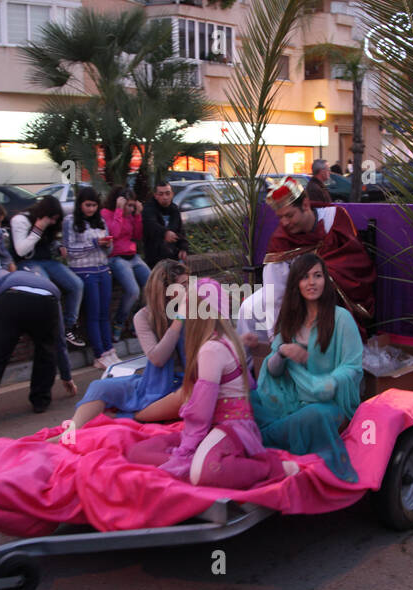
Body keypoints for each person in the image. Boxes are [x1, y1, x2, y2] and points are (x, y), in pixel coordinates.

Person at [127, 279, 293, 489]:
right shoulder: (227, 340)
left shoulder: (211, 349)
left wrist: (187, 448)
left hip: (229, 430)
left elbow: (201, 411)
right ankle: (199, 458)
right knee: (139, 451)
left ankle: (275, 468)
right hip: (230, 427)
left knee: (201, 471)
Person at [252, 253, 364, 482]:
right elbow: (273, 372)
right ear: (296, 284)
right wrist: (283, 352)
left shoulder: (341, 319)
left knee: (314, 415)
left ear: (326, 280)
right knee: (248, 401)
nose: (311, 282)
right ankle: (266, 448)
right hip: (290, 399)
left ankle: (262, 447)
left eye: (317, 276)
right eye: (304, 277)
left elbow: (353, 366)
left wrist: (329, 382)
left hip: (328, 402)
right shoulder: (289, 321)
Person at [238, 177, 376, 342]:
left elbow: (356, 261)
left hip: (334, 291)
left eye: (289, 215)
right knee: (249, 307)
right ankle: (256, 359)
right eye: (280, 217)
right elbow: (275, 290)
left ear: (305, 205)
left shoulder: (335, 218)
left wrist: (327, 277)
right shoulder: (281, 238)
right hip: (292, 291)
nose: (285, 222)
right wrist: (276, 336)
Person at [67, 259, 188, 431]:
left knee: (190, 396)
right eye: (183, 285)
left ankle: (126, 417)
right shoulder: (144, 316)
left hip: (186, 382)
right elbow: (158, 359)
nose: (190, 289)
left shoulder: (198, 311)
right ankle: (69, 432)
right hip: (153, 382)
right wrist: (179, 321)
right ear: (166, 290)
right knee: (100, 386)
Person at [0, 268, 79, 429]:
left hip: (11, 301)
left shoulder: (10, 276)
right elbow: (60, 340)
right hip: (46, 303)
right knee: (46, 351)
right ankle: (40, 401)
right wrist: (66, 376)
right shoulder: (49, 285)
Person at [11, 195, 86, 348]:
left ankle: (69, 327)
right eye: (51, 219)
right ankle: (53, 329)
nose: (53, 222)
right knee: (47, 287)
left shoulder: (52, 223)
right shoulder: (20, 220)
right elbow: (20, 250)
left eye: (55, 219)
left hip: (46, 261)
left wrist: (58, 248)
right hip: (27, 262)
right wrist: (38, 229)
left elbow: (49, 242)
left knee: (77, 284)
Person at [63, 186, 118, 368]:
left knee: (104, 313)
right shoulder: (70, 221)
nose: (91, 209)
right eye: (88, 205)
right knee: (93, 314)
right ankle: (99, 354)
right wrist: (94, 243)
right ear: (80, 204)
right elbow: (70, 251)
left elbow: (109, 249)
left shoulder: (100, 220)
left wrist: (106, 245)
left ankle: (109, 350)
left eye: (94, 205)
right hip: (84, 271)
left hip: (103, 269)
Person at [103, 185, 150, 342]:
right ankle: (119, 322)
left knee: (152, 285)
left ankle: (137, 320)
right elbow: (113, 234)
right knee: (133, 291)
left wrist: (137, 215)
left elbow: (137, 235)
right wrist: (118, 211)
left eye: (132, 205)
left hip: (132, 256)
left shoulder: (131, 215)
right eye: (128, 205)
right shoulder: (106, 213)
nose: (130, 209)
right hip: (116, 257)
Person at [142, 179, 189, 266]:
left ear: (172, 194)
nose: (165, 197)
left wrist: (184, 248)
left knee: (190, 275)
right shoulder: (148, 209)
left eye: (168, 193)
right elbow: (151, 224)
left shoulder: (175, 209)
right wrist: (165, 233)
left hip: (175, 254)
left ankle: (194, 280)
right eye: (161, 194)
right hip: (156, 257)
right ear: (155, 195)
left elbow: (181, 231)